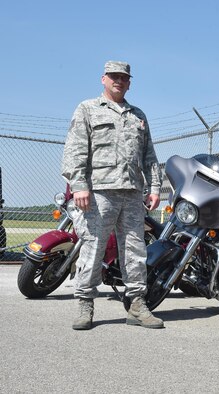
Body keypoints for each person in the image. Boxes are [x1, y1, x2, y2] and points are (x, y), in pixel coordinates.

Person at [61, 60, 164, 330]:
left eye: (124, 77)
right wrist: (80, 185)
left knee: (134, 250)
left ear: (130, 82)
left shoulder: (137, 115)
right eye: (114, 76)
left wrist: (154, 188)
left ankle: (137, 305)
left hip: (132, 193)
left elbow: (149, 156)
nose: (119, 81)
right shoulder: (88, 109)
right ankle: (85, 304)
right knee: (93, 247)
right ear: (103, 79)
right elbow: (75, 150)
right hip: (99, 193)